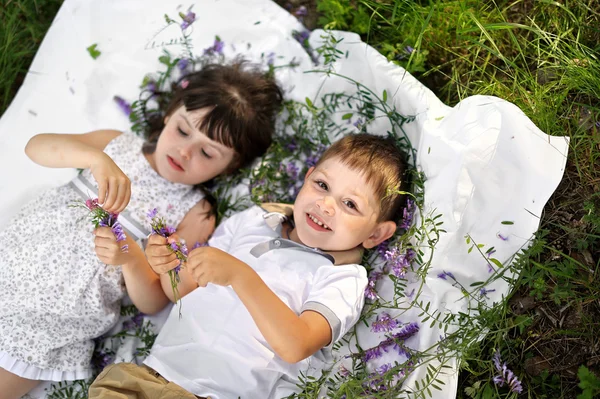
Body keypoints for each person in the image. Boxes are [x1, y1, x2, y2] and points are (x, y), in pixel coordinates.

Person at [0, 60, 283, 399]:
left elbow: (155, 301)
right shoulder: (117, 145)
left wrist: (131, 258)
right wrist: (95, 159)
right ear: (169, 114)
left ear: (231, 165)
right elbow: (36, 147)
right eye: (182, 131)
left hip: (57, 318)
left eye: (207, 152)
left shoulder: (194, 214)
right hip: (12, 264)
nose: (184, 151)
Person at [89, 133, 409, 399]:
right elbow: (182, 289)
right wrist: (168, 263)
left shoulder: (341, 277)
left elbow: (296, 344)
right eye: (322, 185)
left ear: (376, 233)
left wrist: (242, 277)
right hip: (149, 377)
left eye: (350, 204)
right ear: (307, 177)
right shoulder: (254, 221)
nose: (326, 205)